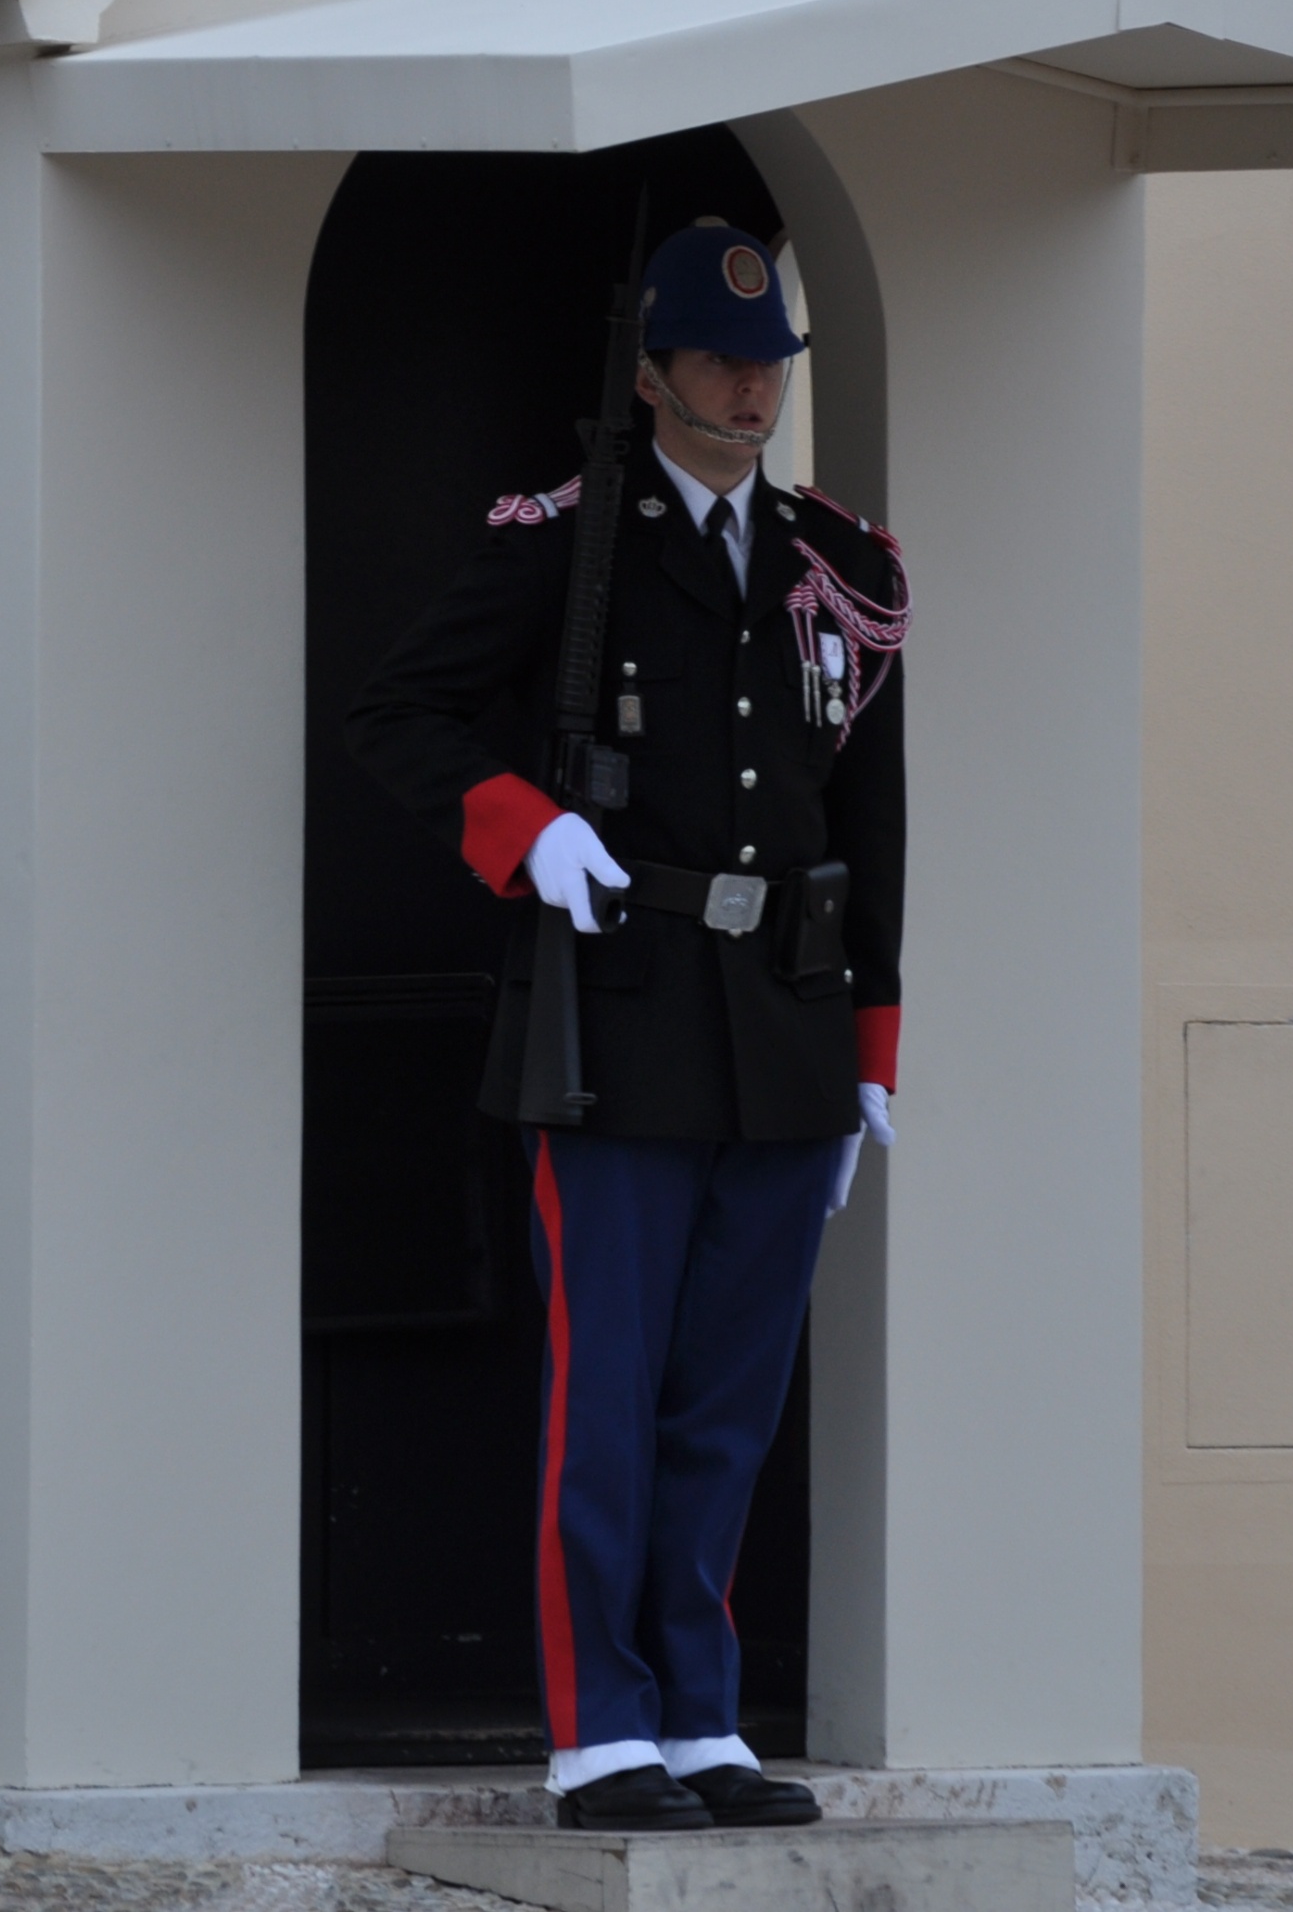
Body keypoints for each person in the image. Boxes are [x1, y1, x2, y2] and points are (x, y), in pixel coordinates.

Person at [345, 220, 908, 1834]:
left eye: (769, 364)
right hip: (620, 1023)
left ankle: (704, 1716)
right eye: (719, 361)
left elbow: (869, 808)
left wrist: (868, 1048)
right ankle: (602, 1724)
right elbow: (401, 711)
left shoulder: (839, 566)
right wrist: (528, 827)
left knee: (727, 1404)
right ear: (650, 372)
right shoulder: (562, 543)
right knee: (610, 1396)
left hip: (785, 1031)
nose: (750, 387)